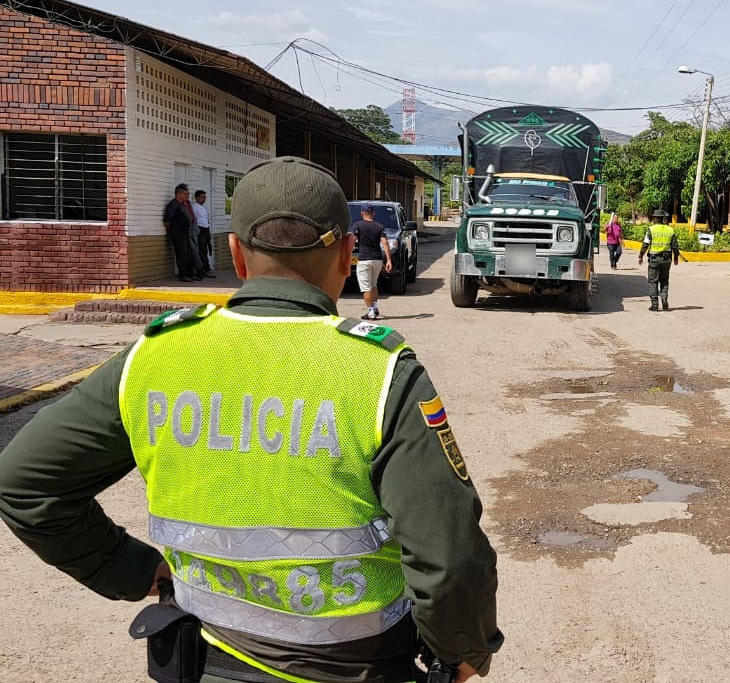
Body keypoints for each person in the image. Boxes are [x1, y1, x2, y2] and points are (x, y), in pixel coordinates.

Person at [0, 157, 503, 683]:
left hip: (205, 658)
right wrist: (463, 653)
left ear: (236, 254)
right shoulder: (379, 370)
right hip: (357, 666)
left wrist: (134, 569)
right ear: (348, 253)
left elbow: (24, 485)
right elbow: (448, 553)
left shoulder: (154, 355)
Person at [352, 203, 393, 320]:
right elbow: (385, 242)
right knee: (374, 284)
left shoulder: (358, 225)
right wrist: (389, 260)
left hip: (364, 260)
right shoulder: (379, 226)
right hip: (377, 260)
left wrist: (347, 254)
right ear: (373, 213)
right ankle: (374, 308)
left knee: (366, 287)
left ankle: (370, 312)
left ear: (362, 213)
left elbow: (353, 240)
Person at [637, 208, 679, 311]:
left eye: (653, 218)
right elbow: (675, 245)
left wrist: (641, 255)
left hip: (654, 260)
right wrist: (676, 258)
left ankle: (655, 305)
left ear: (656, 218)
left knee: (653, 281)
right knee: (664, 281)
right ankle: (664, 300)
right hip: (666, 260)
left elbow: (645, 244)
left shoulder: (651, 230)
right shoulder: (670, 230)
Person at [162, 183, 201, 282]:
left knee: (189, 253)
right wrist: (173, 231)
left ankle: (190, 274)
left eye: (188, 194)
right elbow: (167, 220)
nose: (187, 196)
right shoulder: (173, 205)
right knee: (182, 254)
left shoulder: (184, 205)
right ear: (179, 194)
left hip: (185, 233)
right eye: (185, 194)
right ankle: (182, 275)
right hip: (177, 234)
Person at [192, 189, 215, 278]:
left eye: (205, 197)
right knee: (201, 250)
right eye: (202, 197)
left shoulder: (203, 208)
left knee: (205, 249)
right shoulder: (194, 207)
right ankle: (204, 269)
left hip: (205, 229)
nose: (204, 199)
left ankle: (205, 268)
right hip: (200, 229)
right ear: (197, 198)